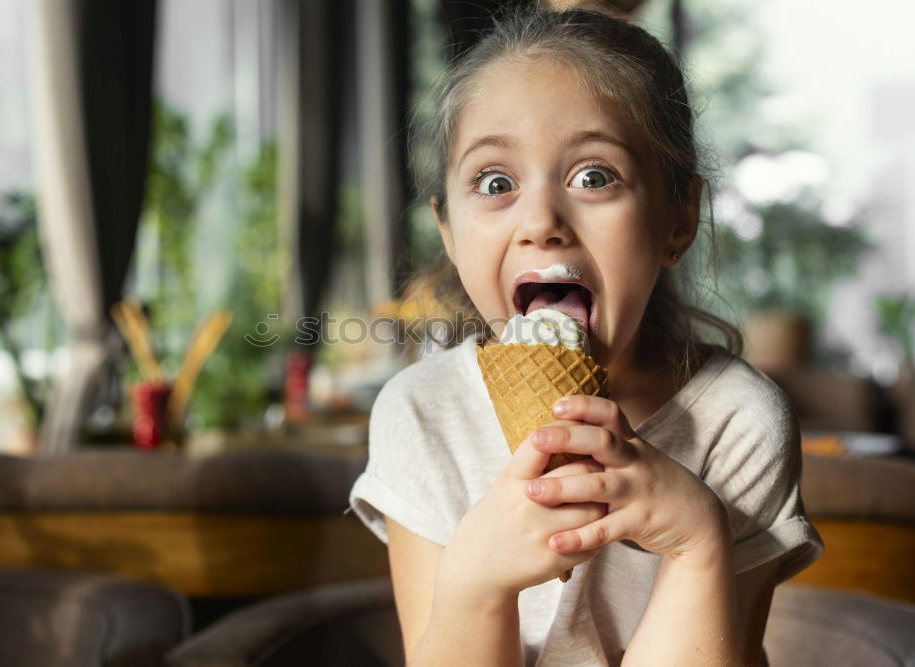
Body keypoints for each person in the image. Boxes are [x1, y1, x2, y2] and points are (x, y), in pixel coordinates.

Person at [346, 5, 824, 666]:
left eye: (593, 177)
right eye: (495, 182)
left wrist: (698, 542)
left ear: (678, 219)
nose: (541, 219)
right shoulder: (423, 414)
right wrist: (474, 586)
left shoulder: (738, 422)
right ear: (450, 233)